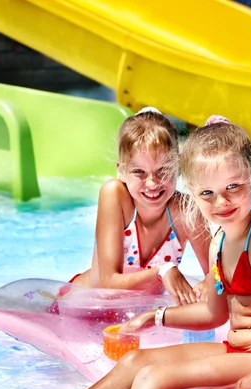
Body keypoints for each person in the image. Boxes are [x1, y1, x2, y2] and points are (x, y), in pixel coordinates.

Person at [0, 115, 251, 389]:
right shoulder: (218, 242)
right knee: (136, 362)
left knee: (155, 378)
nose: (221, 203)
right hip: (240, 349)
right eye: (207, 193)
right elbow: (215, 314)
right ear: (192, 193)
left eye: (233, 188)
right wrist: (157, 317)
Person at [68, 107, 212, 305]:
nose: (152, 183)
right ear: (122, 171)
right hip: (80, 305)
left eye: (162, 170)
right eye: (139, 172)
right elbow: (107, 287)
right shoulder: (115, 195)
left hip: (136, 315)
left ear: (178, 167)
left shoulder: (187, 212)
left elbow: (218, 275)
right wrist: (162, 271)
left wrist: (209, 285)